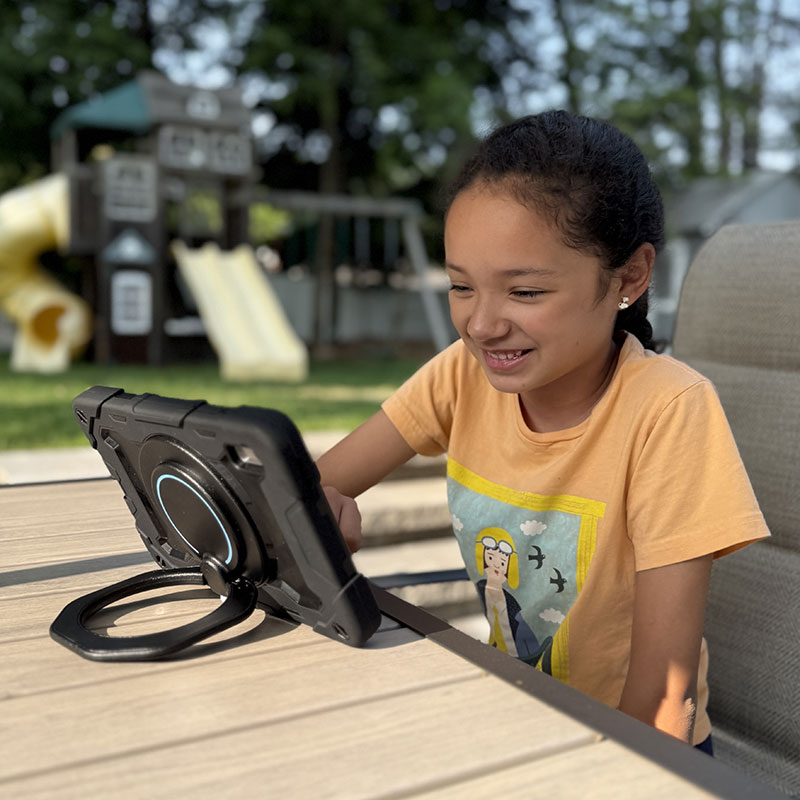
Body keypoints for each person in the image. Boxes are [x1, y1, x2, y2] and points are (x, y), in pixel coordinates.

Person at [316, 110, 769, 752]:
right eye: (460, 286)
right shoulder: (461, 375)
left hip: (642, 757)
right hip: (521, 716)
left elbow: (663, 700)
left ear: (630, 278)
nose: (481, 325)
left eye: (525, 292)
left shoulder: (669, 411)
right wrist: (312, 511)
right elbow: (306, 488)